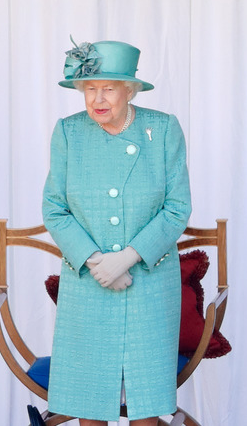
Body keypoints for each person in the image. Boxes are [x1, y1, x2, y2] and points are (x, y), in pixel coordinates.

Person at [42, 39, 192, 425]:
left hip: (149, 285)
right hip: (89, 286)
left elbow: (177, 209)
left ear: (130, 89)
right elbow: (54, 210)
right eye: (90, 88)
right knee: (89, 405)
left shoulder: (162, 130)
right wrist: (97, 262)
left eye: (109, 87)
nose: (98, 99)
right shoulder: (68, 133)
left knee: (146, 407)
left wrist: (126, 258)